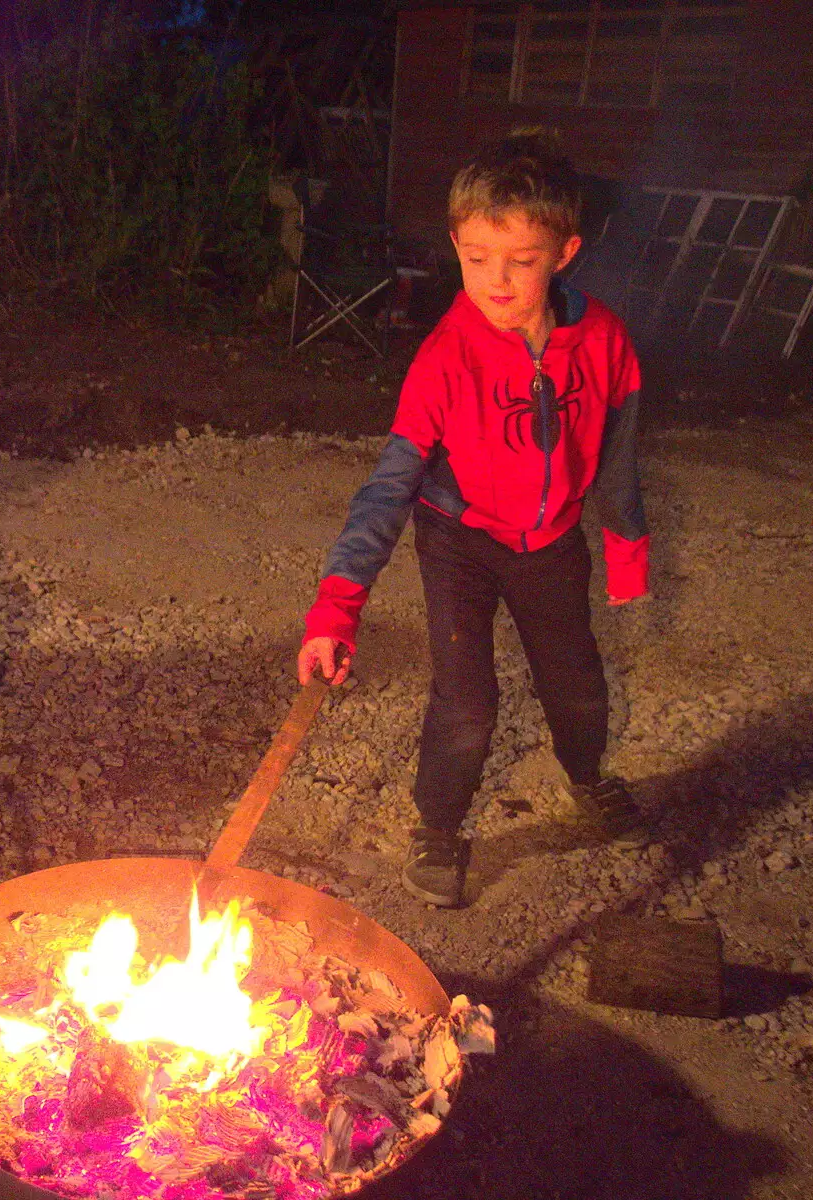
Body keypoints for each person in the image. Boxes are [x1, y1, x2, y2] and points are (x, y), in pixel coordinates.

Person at [297, 130, 652, 909]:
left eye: (520, 261)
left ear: (564, 252)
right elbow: (387, 486)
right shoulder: (445, 358)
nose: (496, 280)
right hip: (459, 540)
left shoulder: (605, 341)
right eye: (476, 257)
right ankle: (439, 825)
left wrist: (627, 546)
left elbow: (621, 447)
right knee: (467, 703)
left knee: (579, 688)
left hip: (553, 541)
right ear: (457, 243)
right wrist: (338, 605)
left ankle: (587, 775)